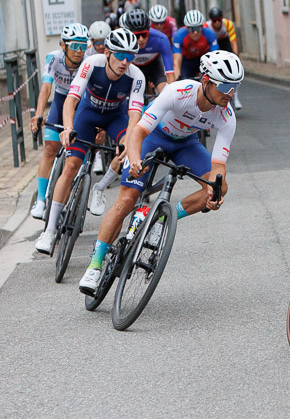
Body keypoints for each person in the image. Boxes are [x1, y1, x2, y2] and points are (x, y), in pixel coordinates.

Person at [78, 51, 241, 294]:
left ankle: (163, 218)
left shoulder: (227, 116)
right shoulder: (179, 92)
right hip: (154, 137)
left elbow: (218, 167)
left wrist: (213, 191)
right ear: (206, 81)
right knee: (127, 198)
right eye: (225, 85)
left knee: (220, 186)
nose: (231, 93)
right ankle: (95, 264)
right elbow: (139, 132)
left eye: (235, 86)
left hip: (186, 144)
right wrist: (134, 160)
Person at [35, 29, 146, 255]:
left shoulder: (137, 77)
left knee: (128, 147)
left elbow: (135, 115)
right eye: (120, 55)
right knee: (71, 166)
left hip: (116, 117)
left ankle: (101, 186)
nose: (125, 62)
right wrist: (68, 128)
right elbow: (71, 101)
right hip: (88, 113)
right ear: (107, 52)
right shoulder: (92, 64)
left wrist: (129, 144)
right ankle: (50, 230)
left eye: (130, 56)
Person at [28, 23, 90, 220]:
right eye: (75, 46)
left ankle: (67, 197)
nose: (80, 51)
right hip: (61, 100)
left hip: (81, 104)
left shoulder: (89, 61)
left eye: (83, 46)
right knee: (49, 148)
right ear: (63, 45)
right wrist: (38, 114)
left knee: (76, 158)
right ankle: (40, 200)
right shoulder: (53, 58)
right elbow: (46, 88)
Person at [124, 8, 176, 97]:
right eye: (136, 36)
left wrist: (173, 98)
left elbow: (170, 73)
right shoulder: (123, 41)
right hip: (133, 67)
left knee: (165, 92)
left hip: (154, 66)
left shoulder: (161, 39)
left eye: (144, 35)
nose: (141, 39)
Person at [207, 7, 242, 109]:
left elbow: (233, 41)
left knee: (232, 72)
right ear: (211, 21)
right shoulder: (206, 26)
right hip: (212, 44)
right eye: (214, 21)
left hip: (225, 42)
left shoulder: (227, 24)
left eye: (219, 20)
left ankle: (235, 99)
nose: (217, 23)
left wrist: (235, 57)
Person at [172, 10, 218, 80]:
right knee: (185, 82)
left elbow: (215, 57)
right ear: (187, 28)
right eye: (192, 29)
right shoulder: (179, 35)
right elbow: (176, 61)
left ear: (202, 27)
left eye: (198, 28)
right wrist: (178, 79)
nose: (195, 32)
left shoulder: (210, 34)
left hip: (204, 60)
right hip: (187, 62)